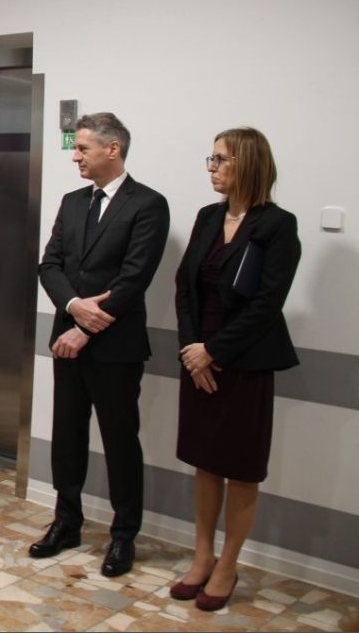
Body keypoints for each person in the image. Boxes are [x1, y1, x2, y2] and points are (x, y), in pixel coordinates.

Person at [170, 128, 300, 611]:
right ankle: (202, 556)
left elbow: (267, 304)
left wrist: (215, 352)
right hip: (197, 358)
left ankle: (228, 564)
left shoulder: (277, 224)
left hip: (243, 362)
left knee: (241, 469)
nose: (212, 167)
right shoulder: (208, 217)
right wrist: (192, 351)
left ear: (248, 164)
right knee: (205, 463)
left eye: (221, 159)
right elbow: (185, 288)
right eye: (211, 158)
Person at [36, 112, 169, 577]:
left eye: (83, 148)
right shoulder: (72, 202)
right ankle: (66, 522)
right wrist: (74, 307)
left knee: (119, 442)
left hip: (115, 347)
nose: (75, 156)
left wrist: (88, 328)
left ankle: (123, 535)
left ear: (112, 149)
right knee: (67, 437)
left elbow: (134, 277)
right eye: (76, 148)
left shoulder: (148, 204)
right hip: (67, 342)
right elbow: (50, 265)